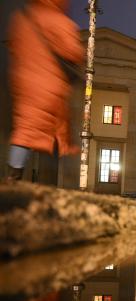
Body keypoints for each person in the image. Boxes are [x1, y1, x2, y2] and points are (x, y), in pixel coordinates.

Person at [5, 0, 84, 181]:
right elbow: (74, 52)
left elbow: (12, 45)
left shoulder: (22, 17)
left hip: (22, 81)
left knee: (25, 129)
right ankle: (50, 181)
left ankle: (13, 174)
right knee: (55, 134)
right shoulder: (59, 21)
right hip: (50, 84)